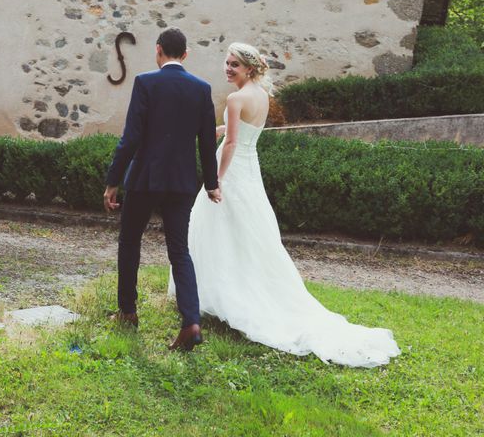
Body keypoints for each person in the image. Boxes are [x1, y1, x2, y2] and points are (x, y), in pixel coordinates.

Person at [169, 42, 401, 367]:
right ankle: (214, 292)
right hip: (250, 171)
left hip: (233, 170)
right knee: (243, 233)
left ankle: (223, 294)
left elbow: (233, 142)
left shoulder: (236, 98)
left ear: (249, 68)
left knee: (218, 228)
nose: (228, 68)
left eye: (234, 64)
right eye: (227, 62)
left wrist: (216, 179)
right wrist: (216, 129)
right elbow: (241, 134)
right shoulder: (262, 96)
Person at [104, 28, 221, 351]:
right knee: (179, 251)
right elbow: (207, 143)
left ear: (158, 51)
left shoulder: (145, 83)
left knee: (129, 242)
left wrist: (113, 181)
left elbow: (131, 138)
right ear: (185, 55)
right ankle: (191, 323)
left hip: (144, 180)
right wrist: (211, 184)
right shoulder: (201, 89)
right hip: (182, 183)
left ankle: (127, 312)